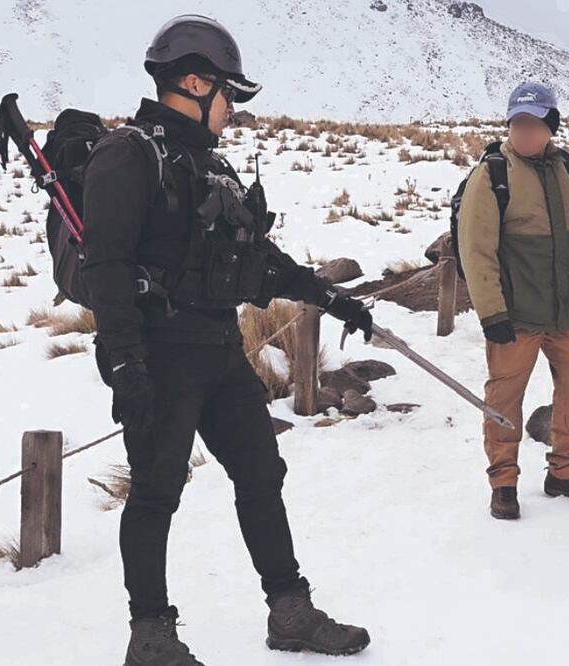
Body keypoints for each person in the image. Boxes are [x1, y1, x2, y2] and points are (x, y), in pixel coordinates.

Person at [83, 15, 374, 664]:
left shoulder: (207, 164)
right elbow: (105, 264)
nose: (232, 111)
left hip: (218, 350)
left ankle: (289, 611)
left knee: (260, 474)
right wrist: (127, 364)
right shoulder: (129, 154)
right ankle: (150, 635)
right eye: (228, 97)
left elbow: (257, 259)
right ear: (193, 82)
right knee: (157, 491)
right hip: (159, 357)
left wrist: (328, 296)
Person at [458, 82, 569, 521]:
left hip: (566, 310)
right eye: (517, 123)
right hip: (515, 314)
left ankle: (565, 470)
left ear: (551, 126)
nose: (525, 132)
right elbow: (476, 249)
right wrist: (491, 313)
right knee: (504, 397)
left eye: (534, 123)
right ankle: (503, 482)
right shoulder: (492, 173)